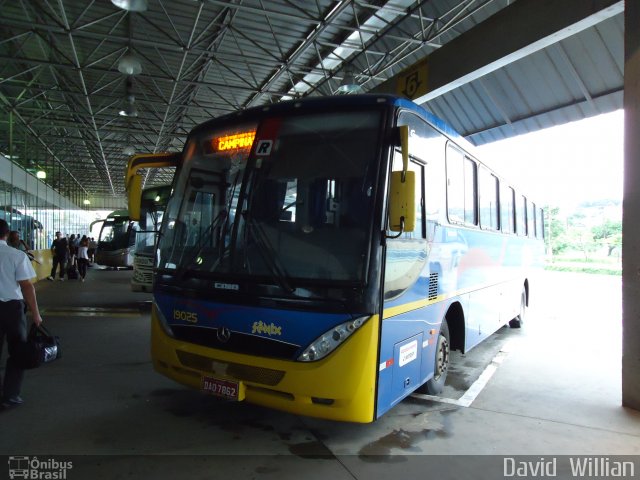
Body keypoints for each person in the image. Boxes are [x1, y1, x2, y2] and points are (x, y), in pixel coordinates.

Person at [0, 219, 43, 409]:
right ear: (7, 234)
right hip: (12, 309)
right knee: (17, 350)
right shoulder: (16, 255)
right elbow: (26, 287)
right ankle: (10, 395)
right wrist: (36, 314)